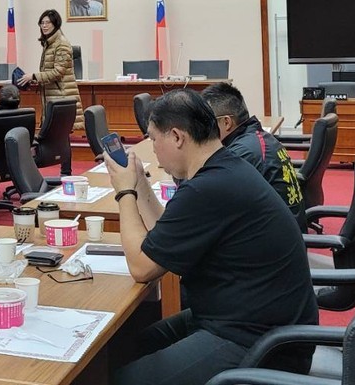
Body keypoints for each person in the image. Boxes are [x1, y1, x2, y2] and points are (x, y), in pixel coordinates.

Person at [103, 90, 317, 384]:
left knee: (126, 379)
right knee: (123, 347)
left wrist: (125, 192)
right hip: (241, 318)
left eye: (153, 139)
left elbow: (142, 267)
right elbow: (165, 232)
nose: (153, 150)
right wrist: (138, 183)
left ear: (177, 137)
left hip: (261, 342)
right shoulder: (223, 167)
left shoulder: (209, 187)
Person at [201, 82, 305, 227]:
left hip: (276, 235)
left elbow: (207, 200)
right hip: (283, 227)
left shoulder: (242, 154)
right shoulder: (257, 139)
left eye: (206, 123)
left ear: (226, 122)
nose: (202, 130)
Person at [17, 9, 83, 149]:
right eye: (42, 23)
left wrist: (34, 76)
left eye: (48, 22)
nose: (44, 26)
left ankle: (65, 164)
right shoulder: (49, 43)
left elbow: (58, 72)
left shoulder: (61, 44)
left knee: (60, 135)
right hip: (53, 96)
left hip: (62, 96)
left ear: (55, 24)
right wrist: (34, 80)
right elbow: (48, 72)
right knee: (58, 137)